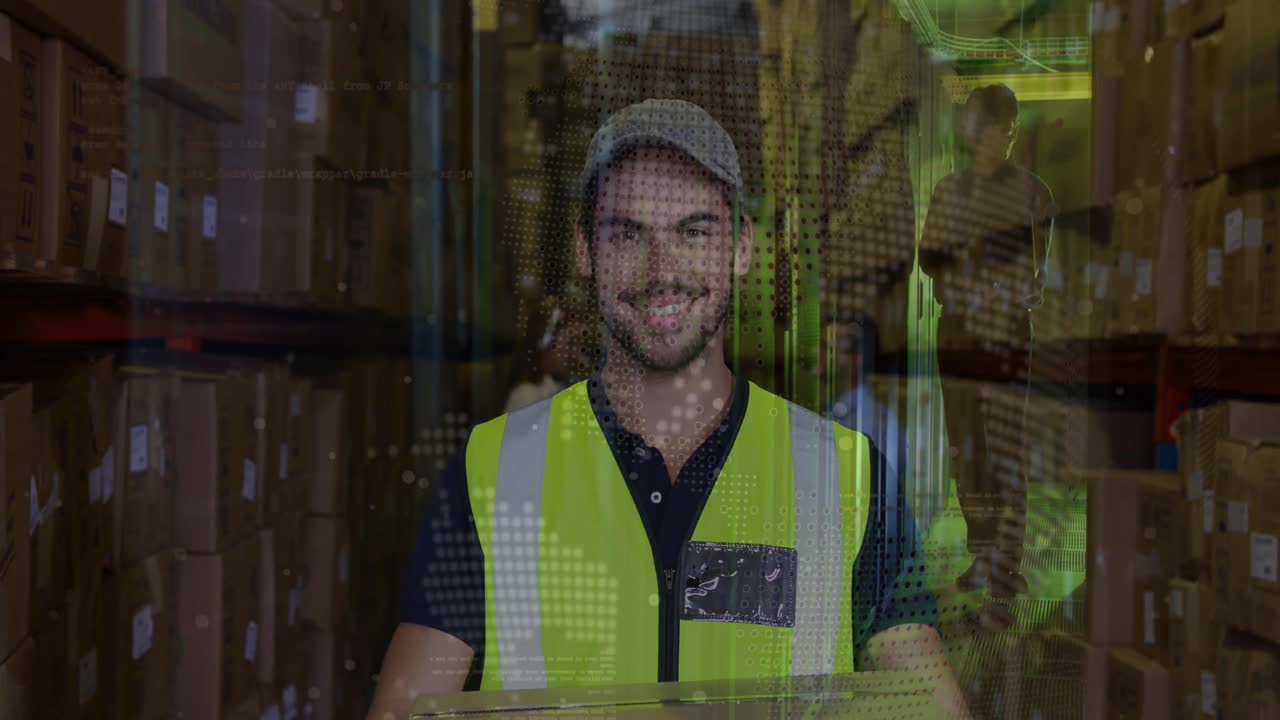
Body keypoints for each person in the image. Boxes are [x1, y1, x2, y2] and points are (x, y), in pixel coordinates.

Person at [369, 99, 970, 718]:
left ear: (742, 247)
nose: (661, 271)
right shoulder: (495, 474)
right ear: (584, 251)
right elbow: (403, 709)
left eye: (694, 231)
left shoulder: (847, 479)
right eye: (627, 234)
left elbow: (933, 706)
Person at [918, 84, 1057, 598]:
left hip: (1004, 333)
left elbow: (1038, 273)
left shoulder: (1033, 194)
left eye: (1011, 132)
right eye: (999, 130)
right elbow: (928, 258)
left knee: (1006, 445)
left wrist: (1009, 286)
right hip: (959, 332)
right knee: (967, 444)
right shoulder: (950, 192)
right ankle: (983, 554)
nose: (1005, 140)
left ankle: (1006, 561)